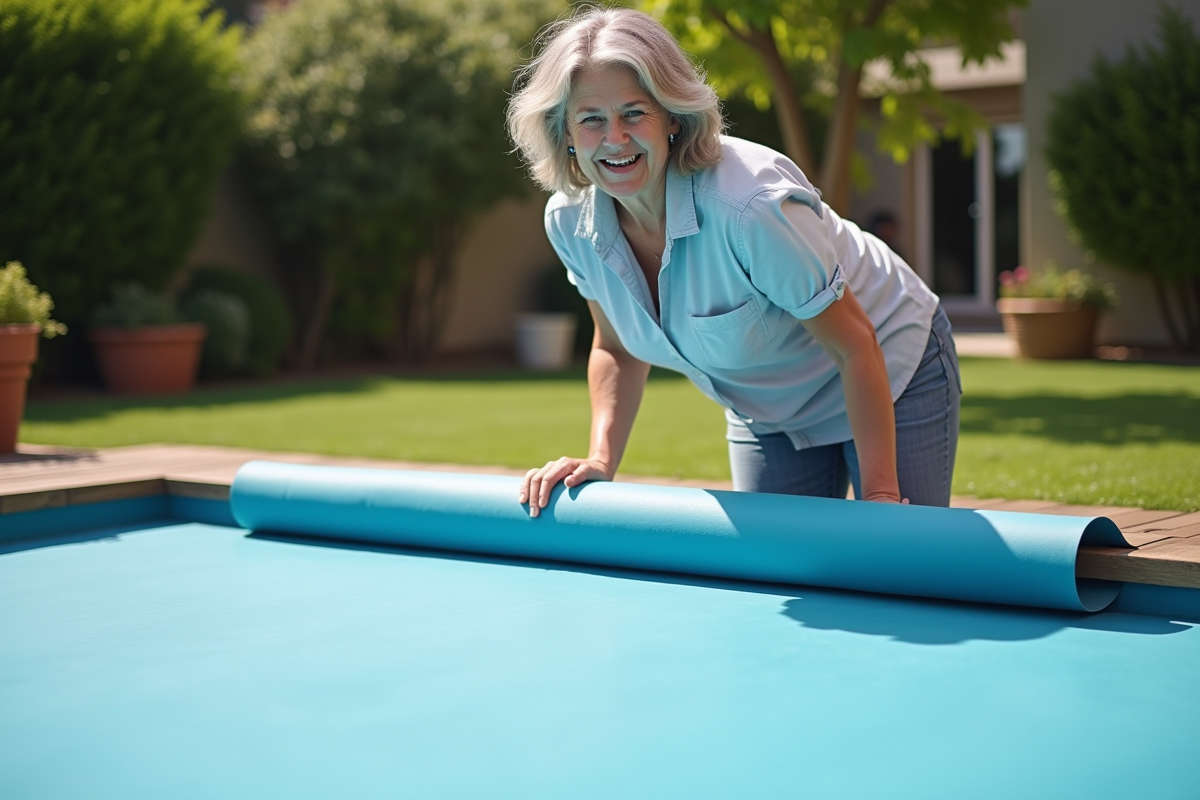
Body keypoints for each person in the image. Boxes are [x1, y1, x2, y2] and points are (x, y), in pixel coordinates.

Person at [506, 6, 961, 517]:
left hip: (891, 367)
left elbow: (856, 345)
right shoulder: (569, 221)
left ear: (672, 116)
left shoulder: (750, 208)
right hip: (764, 410)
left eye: (633, 113)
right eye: (591, 119)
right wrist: (600, 459)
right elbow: (616, 347)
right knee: (782, 563)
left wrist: (880, 496)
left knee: (896, 557)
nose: (614, 137)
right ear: (565, 133)